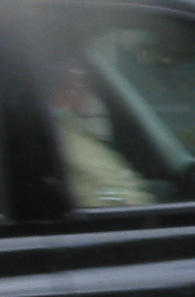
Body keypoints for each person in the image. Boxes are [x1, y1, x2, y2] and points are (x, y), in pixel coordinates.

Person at [48, 59, 156, 207]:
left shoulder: (75, 129)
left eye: (81, 87)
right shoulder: (68, 141)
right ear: (54, 93)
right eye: (70, 87)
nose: (79, 94)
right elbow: (126, 198)